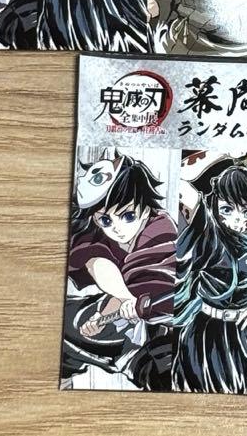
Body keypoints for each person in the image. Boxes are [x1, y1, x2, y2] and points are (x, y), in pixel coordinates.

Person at [173, 161, 247, 396]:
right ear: (215, 203)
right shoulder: (208, 236)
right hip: (205, 334)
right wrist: (223, 154)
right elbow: (179, 180)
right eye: (227, 209)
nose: (236, 219)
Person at [61, 154, 176, 391]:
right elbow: (98, 264)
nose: (117, 229)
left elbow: (150, 285)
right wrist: (102, 314)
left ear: (145, 208)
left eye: (128, 216)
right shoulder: (99, 234)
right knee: (69, 323)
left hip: (162, 323)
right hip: (125, 313)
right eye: (105, 220)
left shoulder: (160, 231)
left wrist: (127, 302)